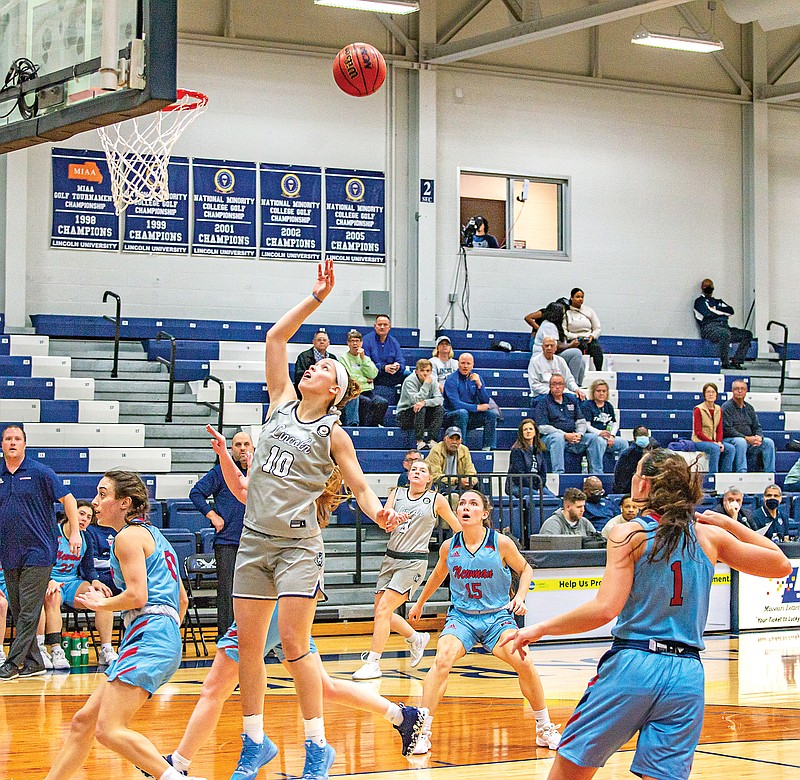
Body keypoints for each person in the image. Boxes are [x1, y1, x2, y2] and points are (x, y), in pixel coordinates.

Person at [218, 259, 404, 780]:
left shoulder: (333, 434)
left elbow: (362, 488)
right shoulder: (279, 402)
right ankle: (254, 740)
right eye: (312, 366)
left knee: (296, 646)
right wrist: (316, 299)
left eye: (321, 369)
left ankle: (317, 744)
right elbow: (276, 339)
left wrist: (380, 512)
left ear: (334, 390)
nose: (310, 369)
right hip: (255, 542)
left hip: (300, 548)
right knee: (248, 647)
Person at [502, 448, 792, 780]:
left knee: (568, 774)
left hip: (634, 664)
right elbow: (780, 564)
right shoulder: (710, 535)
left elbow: (604, 609)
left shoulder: (630, 532)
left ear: (644, 485)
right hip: (687, 675)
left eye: (637, 473)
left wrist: (538, 629)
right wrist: (729, 524)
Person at [43, 470, 195, 780]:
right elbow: (182, 601)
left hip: (149, 636)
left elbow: (137, 595)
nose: (96, 502)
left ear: (124, 502)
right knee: (83, 722)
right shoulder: (158, 537)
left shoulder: (127, 537)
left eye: (102, 494)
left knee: (108, 730)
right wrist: (164, 636)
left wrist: (104, 604)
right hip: (158, 636)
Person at [160, 612, 428, 777]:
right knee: (321, 686)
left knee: (214, 688)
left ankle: (180, 762)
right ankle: (401, 716)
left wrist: (377, 514)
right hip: (283, 600)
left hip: (269, 599)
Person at [407, 490, 560, 755]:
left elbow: (525, 570)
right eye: (462, 504)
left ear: (484, 514)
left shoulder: (500, 544)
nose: (466, 507)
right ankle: (423, 731)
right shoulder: (449, 547)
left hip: (497, 618)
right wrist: (420, 602)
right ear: (457, 512)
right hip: (462, 618)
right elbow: (437, 574)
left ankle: (544, 728)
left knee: (524, 660)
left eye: (473, 504)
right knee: (442, 660)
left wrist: (521, 596)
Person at [352, 460, 461, 681]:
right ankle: (416, 638)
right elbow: (384, 524)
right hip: (391, 557)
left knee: (383, 610)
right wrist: (391, 521)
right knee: (382, 614)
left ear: (430, 478)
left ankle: (373, 662)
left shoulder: (436, 500)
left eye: (423, 470)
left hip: (413, 561)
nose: (418, 473)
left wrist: (468, 547)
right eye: (414, 470)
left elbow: (456, 526)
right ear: (408, 474)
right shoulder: (397, 494)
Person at [0, 424, 81, 681]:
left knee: (28, 608)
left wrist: (76, 532)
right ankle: (35, 662)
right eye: (8, 439)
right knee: (19, 605)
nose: (12, 442)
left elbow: (68, 499)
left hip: (39, 550)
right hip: (9, 551)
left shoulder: (40, 472)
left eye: (17, 439)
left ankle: (13, 663)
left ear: (25, 444)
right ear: (2, 444)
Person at [189, 430, 254, 640]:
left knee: (256, 593)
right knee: (227, 592)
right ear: (231, 450)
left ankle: (257, 639)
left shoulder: (261, 473)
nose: (242, 448)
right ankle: (225, 639)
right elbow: (196, 493)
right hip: (228, 542)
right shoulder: (220, 472)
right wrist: (213, 516)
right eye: (237, 445)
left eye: (246, 444)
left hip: (257, 542)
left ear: (253, 448)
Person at [40, 509, 118, 670]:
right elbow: (41, 561)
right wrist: (48, 580)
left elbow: (88, 567)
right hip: (51, 581)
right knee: (53, 597)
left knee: (100, 596)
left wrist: (95, 581)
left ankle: (106, 649)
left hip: (72, 582)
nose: (85, 519)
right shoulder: (53, 533)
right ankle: (56, 650)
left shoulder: (86, 537)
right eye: (81, 514)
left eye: (89, 517)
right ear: (70, 514)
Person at [533, 374, 605, 475]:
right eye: (554, 384)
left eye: (560, 384)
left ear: (564, 386)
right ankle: (559, 474)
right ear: (549, 386)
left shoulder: (571, 399)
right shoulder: (543, 402)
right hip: (550, 438)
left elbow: (581, 421)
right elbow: (542, 427)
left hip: (573, 436)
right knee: (557, 438)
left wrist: (579, 434)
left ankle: (597, 474)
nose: (557, 387)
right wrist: (564, 435)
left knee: (595, 438)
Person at [443, 352, 498, 451]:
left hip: (470, 415)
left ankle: (488, 448)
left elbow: (485, 400)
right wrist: (477, 407)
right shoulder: (451, 380)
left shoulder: (476, 378)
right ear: (458, 364)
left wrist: (479, 385)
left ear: (473, 365)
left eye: (468, 363)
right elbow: (455, 404)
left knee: (491, 415)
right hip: (451, 416)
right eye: (463, 363)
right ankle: (462, 447)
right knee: (462, 413)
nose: (465, 366)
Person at [693, 278, 752, 369]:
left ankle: (737, 361)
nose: (708, 288)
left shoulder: (718, 302)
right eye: (706, 286)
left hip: (725, 327)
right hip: (709, 329)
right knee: (724, 333)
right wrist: (721, 313)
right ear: (702, 287)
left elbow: (730, 311)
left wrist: (715, 310)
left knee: (747, 334)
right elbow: (707, 314)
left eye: (710, 286)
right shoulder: (699, 302)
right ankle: (725, 363)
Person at [722, 379, 776, 474]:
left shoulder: (749, 408)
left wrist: (759, 437)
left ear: (746, 391)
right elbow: (727, 429)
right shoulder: (726, 407)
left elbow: (757, 426)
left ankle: (770, 473)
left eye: (742, 389)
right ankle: (741, 472)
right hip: (731, 440)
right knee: (741, 442)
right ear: (732, 391)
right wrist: (746, 438)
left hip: (750, 441)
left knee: (768, 442)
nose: (739, 391)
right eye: (737, 389)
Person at [338, 329, 388, 427]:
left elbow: (373, 374)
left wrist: (363, 359)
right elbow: (350, 377)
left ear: (361, 343)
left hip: (367, 391)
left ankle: (373, 426)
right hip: (353, 392)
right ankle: (363, 428)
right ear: (348, 343)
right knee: (365, 401)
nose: (355, 344)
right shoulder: (343, 358)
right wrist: (365, 380)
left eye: (357, 341)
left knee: (382, 402)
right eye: (352, 341)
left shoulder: (365, 358)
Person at [532, 301, 585, 386]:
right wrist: (571, 345)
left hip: (555, 354)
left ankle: (578, 385)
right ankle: (571, 385)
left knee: (581, 361)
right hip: (545, 355)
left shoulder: (556, 325)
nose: (564, 316)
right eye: (562, 314)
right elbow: (556, 347)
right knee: (576, 353)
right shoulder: (548, 326)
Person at [396, 358, 444, 450]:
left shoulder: (432, 380)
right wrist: (426, 385)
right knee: (419, 407)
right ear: (416, 371)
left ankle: (432, 440)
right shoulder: (409, 381)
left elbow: (439, 399)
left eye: (428, 371)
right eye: (422, 370)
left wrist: (425, 402)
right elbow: (416, 400)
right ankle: (419, 441)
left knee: (439, 409)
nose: (425, 373)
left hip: (423, 415)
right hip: (405, 414)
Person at [362, 314, 405, 406]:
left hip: (391, 375)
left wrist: (398, 366)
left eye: (385, 325)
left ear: (389, 327)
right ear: (375, 326)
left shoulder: (394, 342)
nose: (382, 327)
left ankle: (405, 406)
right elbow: (365, 364)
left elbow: (401, 361)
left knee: (409, 375)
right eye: (379, 324)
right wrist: (383, 368)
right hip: (376, 375)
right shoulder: (366, 340)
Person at [692, 382, 733, 474]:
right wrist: (714, 443)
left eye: (713, 392)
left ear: (716, 394)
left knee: (730, 448)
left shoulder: (719, 409)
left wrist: (719, 441)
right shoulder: (698, 409)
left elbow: (719, 428)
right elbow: (698, 432)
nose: (711, 394)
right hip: (700, 441)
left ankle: (726, 474)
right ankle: (713, 474)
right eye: (708, 392)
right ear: (704, 394)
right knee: (715, 448)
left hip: (714, 441)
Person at [582, 379, 627, 461]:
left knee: (623, 443)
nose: (601, 393)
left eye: (604, 391)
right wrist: (600, 433)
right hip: (593, 436)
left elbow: (614, 423)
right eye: (598, 391)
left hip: (607, 437)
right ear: (593, 392)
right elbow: (586, 425)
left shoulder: (608, 405)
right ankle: (597, 471)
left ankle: (622, 470)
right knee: (599, 441)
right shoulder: (587, 405)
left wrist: (612, 436)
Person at [528, 336, 585, 400]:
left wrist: (576, 389)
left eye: (551, 346)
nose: (549, 348)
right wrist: (552, 392)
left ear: (555, 348)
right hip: (542, 395)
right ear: (542, 347)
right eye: (546, 346)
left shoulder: (560, 360)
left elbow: (569, 379)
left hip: (561, 393)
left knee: (580, 398)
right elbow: (534, 385)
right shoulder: (535, 361)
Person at [425, 427, 478, 495]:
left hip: (459, 484)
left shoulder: (464, 450)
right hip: (443, 483)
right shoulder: (436, 450)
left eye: (457, 439)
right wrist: (456, 480)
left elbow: (471, 470)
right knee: (440, 484)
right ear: (445, 439)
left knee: (477, 485)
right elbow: (434, 475)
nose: (454, 442)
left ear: (461, 441)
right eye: (451, 438)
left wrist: (470, 481)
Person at [563, 288, 604, 371]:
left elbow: (597, 328)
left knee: (596, 349)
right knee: (582, 347)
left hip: (589, 338)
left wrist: (592, 336)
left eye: (582, 297)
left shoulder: (589, 310)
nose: (580, 299)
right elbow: (564, 331)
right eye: (577, 297)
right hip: (575, 339)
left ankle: (599, 371)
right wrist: (577, 336)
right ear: (571, 297)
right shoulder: (566, 313)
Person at [506, 419, 547, 497]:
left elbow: (543, 472)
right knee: (537, 498)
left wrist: (540, 485)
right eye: (525, 429)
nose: (528, 431)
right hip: (518, 486)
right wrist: (534, 488)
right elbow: (519, 474)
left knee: (552, 499)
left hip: (535, 485)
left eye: (530, 429)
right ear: (521, 433)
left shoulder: (539, 449)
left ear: (535, 432)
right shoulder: (517, 450)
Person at [293, 329, 337, 395]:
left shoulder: (332, 358)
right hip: (307, 393)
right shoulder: (303, 356)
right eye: (319, 340)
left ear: (328, 342)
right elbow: (299, 378)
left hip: (327, 393)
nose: (322, 342)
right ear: (313, 342)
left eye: (324, 340)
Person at [613, 426, 655, 494]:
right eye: (640, 435)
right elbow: (620, 476)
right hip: (629, 489)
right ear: (634, 438)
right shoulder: (627, 454)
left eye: (645, 435)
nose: (643, 437)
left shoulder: (654, 450)